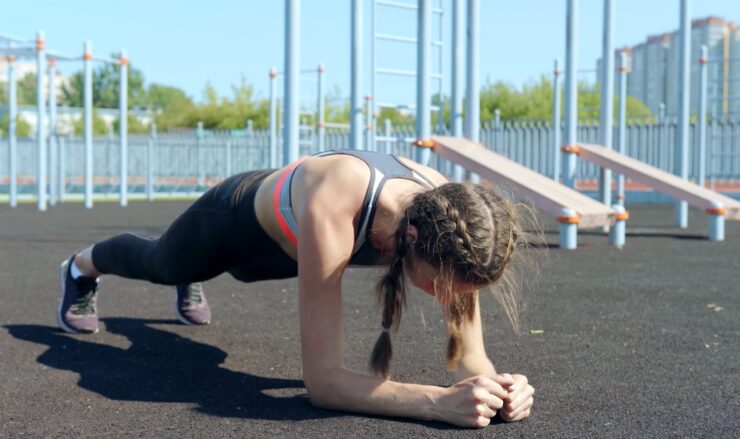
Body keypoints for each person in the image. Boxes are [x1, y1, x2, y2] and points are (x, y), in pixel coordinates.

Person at [57, 149, 535, 428]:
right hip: (233, 224)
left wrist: (497, 387)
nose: (453, 300)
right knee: (160, 261)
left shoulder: (458, 226)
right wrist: (439, 402)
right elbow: (323, 385)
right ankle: (80, 267)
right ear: (410, 238)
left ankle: (191, 276)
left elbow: (471, 356)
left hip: (291, 253)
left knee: (193, 301)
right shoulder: (340, 201)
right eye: (448, 287)